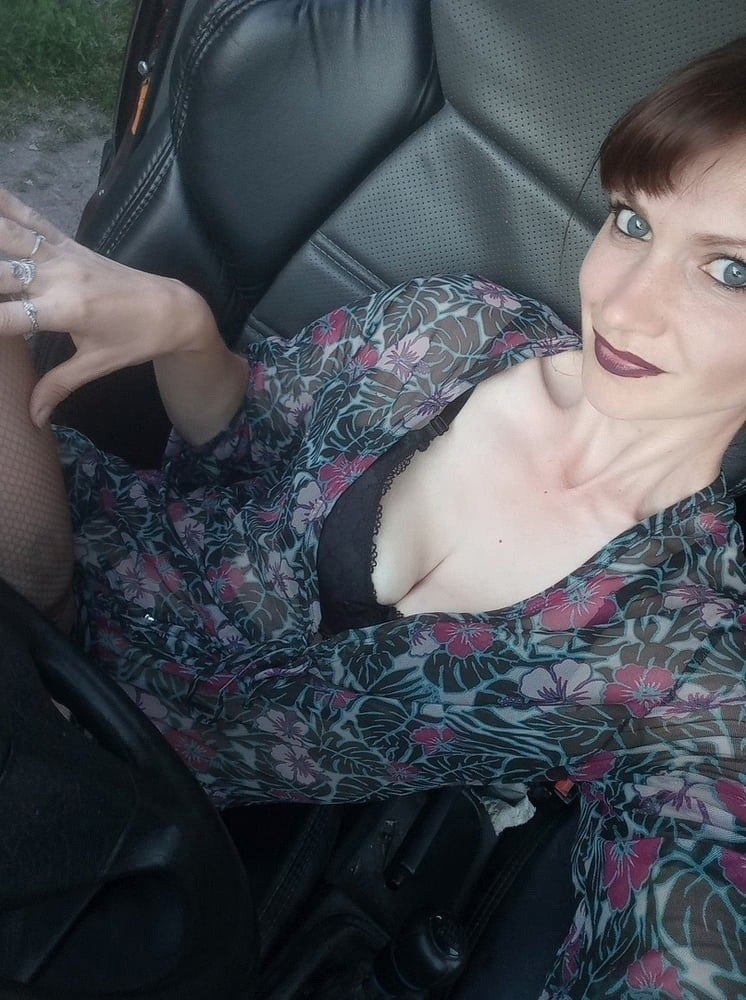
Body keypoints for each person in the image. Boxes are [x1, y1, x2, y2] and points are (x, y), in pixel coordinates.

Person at [0, 36, 745, 999]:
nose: (624, 304)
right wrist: (186, 327)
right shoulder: (453, 329)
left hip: (110, 808)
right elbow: (243, 441)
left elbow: (685, 934)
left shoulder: (688, 660)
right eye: (632, 222)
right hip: (48, 566)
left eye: (731, 272)